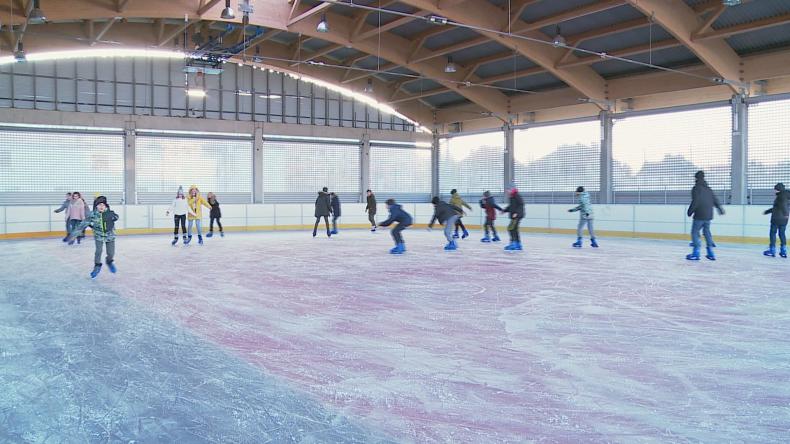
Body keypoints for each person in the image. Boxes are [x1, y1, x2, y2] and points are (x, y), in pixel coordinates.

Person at [67, 195, 119, 279]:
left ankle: (109, 261)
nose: (101, 207)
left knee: (111, 253)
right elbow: (82, 225)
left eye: (103, 205)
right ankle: (97, 266)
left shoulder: (109, 213)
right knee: (98, 251)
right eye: (99, 205)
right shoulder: (92, 215)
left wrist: (114, 217)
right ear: (96, 206)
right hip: (98, 235)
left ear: (105, 206)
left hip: (110, 236)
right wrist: (74, 235)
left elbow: (116, 217)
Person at [686, 170, 724, 261]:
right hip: (708, 215)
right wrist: (720, 209)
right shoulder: (709, 189)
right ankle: (710, 253)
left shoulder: (696, 188)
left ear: (696, 178)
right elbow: (715, 200)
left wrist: (690, 211)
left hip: (700, 214)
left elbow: (696, 201)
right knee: (707, 232)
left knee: (695, 232)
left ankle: (696, 253)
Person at [763, 182, 790, 258]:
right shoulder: (786, 196)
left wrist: (785, 214)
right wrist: (768, 211)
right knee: (782, 234)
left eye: (775, 189)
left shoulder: (781, 197)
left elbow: (783, 205)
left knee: (772, 233)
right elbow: (777, 207)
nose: (774, 191)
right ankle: (783, 251)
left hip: (777, 218)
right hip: (784, 220)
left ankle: (772, 250)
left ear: (778, 189)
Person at [502, 186, 525, 251]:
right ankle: (518, 244)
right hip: (515, 216)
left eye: (508, 190)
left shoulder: (516, 196)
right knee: (514, 229)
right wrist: (504, 210)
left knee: (511, 228)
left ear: (512, 189)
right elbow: (511, 207)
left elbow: (521, 205)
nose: (507, 191)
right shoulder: (512, 197)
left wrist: (517, 213)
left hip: (517, 216)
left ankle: (513, 243)